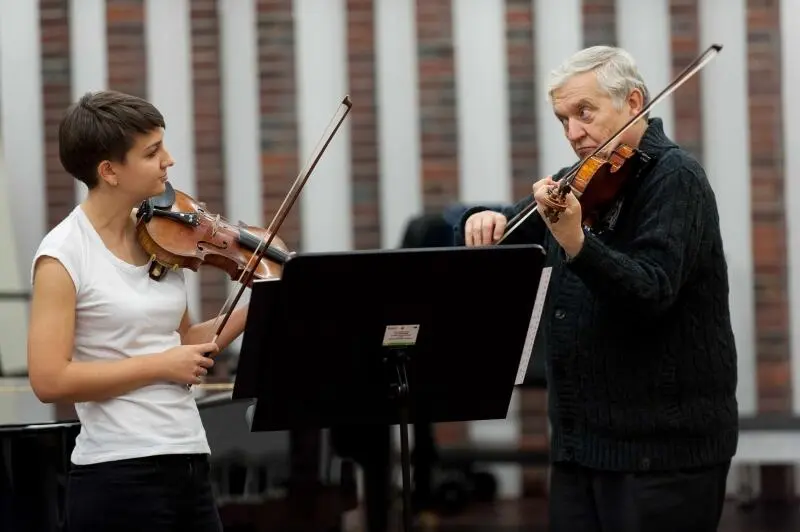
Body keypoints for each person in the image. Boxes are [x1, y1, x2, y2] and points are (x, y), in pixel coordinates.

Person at [457, 46, 738, 531]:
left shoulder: (676, 179)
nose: (572, 133)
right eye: (562, 119)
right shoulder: (578, 182)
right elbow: (511, 228)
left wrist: (577, 243)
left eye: (584, 113)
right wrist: (482, 219)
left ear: (633, 102)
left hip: (660, 454)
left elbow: (651, 292)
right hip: (580, 448)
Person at [27, 90, 249, 531]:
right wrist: (161, 366)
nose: (169, 160)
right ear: (109, 171)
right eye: (152, 152)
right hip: (117, 475)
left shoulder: (162, 236)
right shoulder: (62, 255)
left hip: (188, 459)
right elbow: (49, 380)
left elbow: (184, 343)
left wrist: (258, 306)